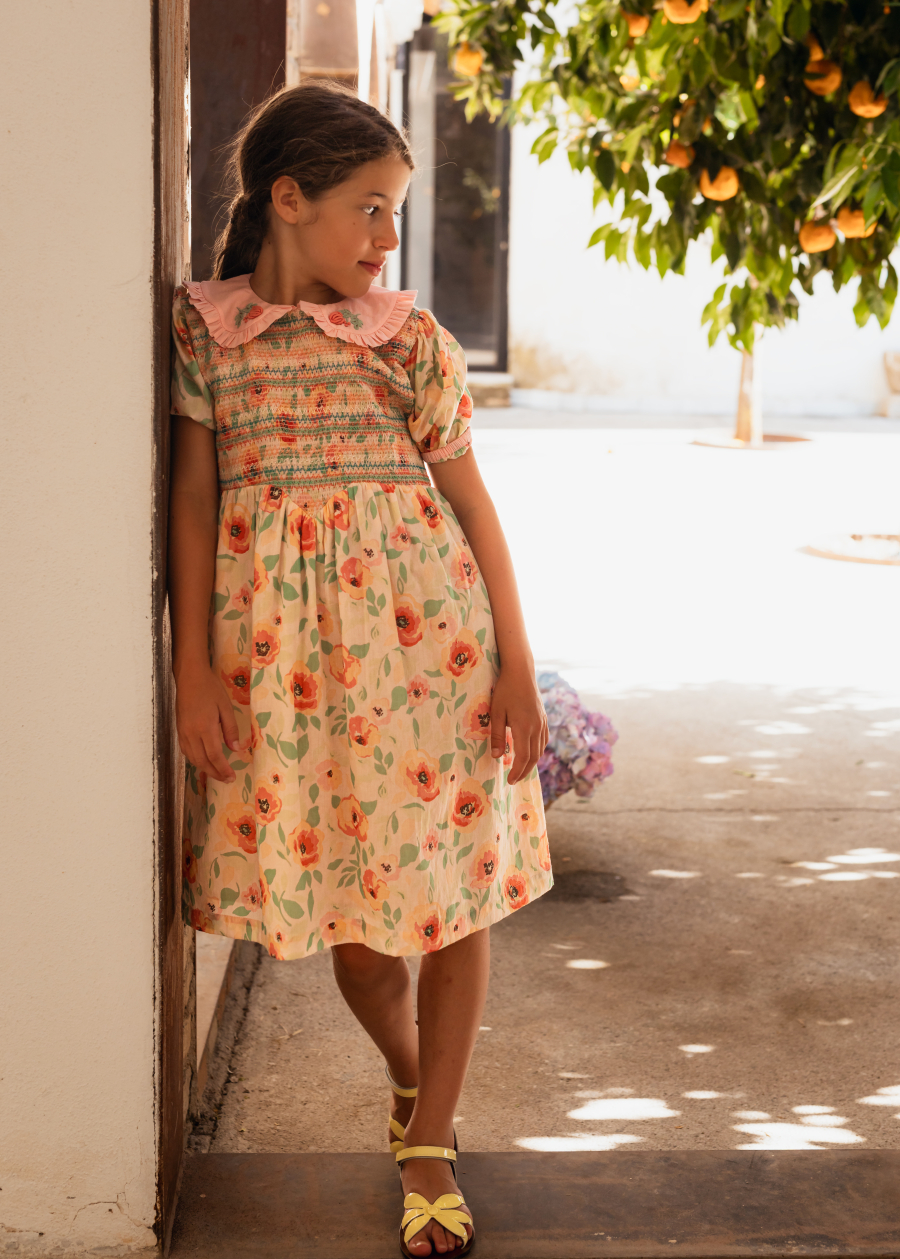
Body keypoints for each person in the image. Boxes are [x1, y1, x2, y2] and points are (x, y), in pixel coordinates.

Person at [169, 80, 552, 1257]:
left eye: (397, 212)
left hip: (431, 653)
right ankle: (411, 1073)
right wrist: (193, 670)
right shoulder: (206, 333)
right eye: (370, 208)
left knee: (453, 895)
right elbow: (193, 505)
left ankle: (429, 1138)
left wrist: (518, 663)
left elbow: (474, 508)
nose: (388, 238)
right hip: (288, 673)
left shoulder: (408, 339)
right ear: (289, 199)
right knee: (357, 928)